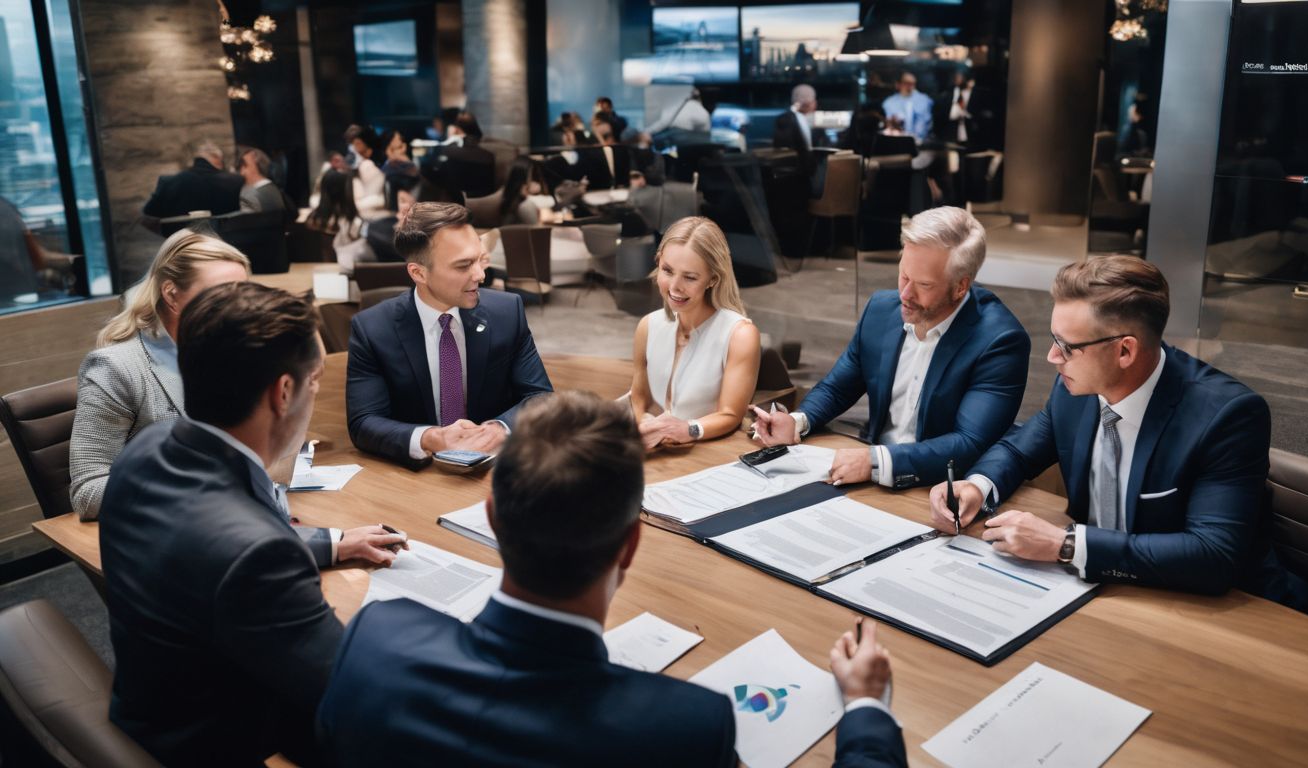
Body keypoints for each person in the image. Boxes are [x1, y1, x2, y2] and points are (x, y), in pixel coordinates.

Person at [315, 391, 909, 767]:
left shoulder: (375, 639)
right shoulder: (684, 730)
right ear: (631, 545)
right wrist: (865, 713)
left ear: (494, 519)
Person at [99, 282, 404, 766]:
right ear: (284, 392)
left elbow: (205, 549)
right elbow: (346, 690)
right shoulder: (256, 555)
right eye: (316, 379)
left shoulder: (146, 451)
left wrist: (331, 543)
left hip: (154, 710)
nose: (315, 391)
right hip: (231, 743)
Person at [929, 256, 1282, 597]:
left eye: (1066, 346)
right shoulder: (1075, 389)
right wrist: (976, 487)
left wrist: (1065, 545)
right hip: (1089, 590)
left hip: (1204, 608)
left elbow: (1213, 555)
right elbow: (1018, 450)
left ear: (1125, 351)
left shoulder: (1227, 417)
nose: (1052, 357)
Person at [753, 206, 1030, 488]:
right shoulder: (881, 310)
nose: (905, 295)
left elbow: (969, 444)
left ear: (961, 286)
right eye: (903, 276)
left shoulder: (1000, 341)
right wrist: (799, 421)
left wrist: (875, 460)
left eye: (923, 284)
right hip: (870, 478)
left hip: (945, 490)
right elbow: (838, 388)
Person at [346, 202, 552, 467]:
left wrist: (498, 429)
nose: (480, 275)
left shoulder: (507, 312)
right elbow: (363, 422)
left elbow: (541, 397)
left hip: (494, 470)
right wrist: (432, 438)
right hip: (412, 478)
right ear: (418, 272)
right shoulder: (373, 329)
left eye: (479, 259)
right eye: (463, 265)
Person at [70, 230, 249, 520]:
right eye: (219, 295)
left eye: (242, 293)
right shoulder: (116, 368)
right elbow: (88, 493)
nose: (237, 308)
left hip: (229, 515)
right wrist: (192, 486)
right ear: (171, 295)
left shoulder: (229, 351)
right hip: (165, 530)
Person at [631, 217, 760, 451]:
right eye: (667, 270)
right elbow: (639, 398)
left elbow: (730, 414)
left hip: (709, 450)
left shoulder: (740, 335)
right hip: (656, 449)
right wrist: (642, 428)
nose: (674, 287)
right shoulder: (648, 326)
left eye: (690, 277)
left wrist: (689, 429)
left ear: (713, 279)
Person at [142, 140, 243, 219]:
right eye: (222, 161)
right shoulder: (236, 181)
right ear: (216, 157)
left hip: (183, 240)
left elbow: (149, 212)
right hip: (225, 240)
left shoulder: (168, 182)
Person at [306, 169, 370, 273]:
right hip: (344, 273)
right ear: (347, 190)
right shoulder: (353, 223)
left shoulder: (312, 220)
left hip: (312, 273)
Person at [344, 124, 386, 215]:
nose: (353, 148)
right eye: (350, 143)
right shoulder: (353, 164)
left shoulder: (368, 165)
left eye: (357, 143)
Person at [237, 146, 290, 215]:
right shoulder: (275, 189)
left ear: (257, 167)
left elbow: (246, 223)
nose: (242, 172)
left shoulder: (249, 197)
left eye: (245, 165)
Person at [881, 72, 933, 142]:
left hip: (920, 142)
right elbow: (890, 123)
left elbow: (924, 124)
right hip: (896, 141)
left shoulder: (924, 100)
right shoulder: (889, 102)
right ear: (898, 84)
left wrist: (915, 138)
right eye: (907, 83)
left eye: (913, 84)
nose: (910, 87)